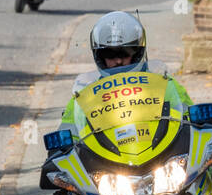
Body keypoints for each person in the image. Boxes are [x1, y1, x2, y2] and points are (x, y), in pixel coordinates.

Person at [58, 11, 192, 136]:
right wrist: (61, 145)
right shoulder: (85, 95)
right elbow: (66, 133)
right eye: (109, 54)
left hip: (160, 150)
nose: (118, 60)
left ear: (138, 51)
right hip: (105, 157)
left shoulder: (163, 83)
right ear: (99, 55)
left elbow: (191, 117)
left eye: (124, 53)